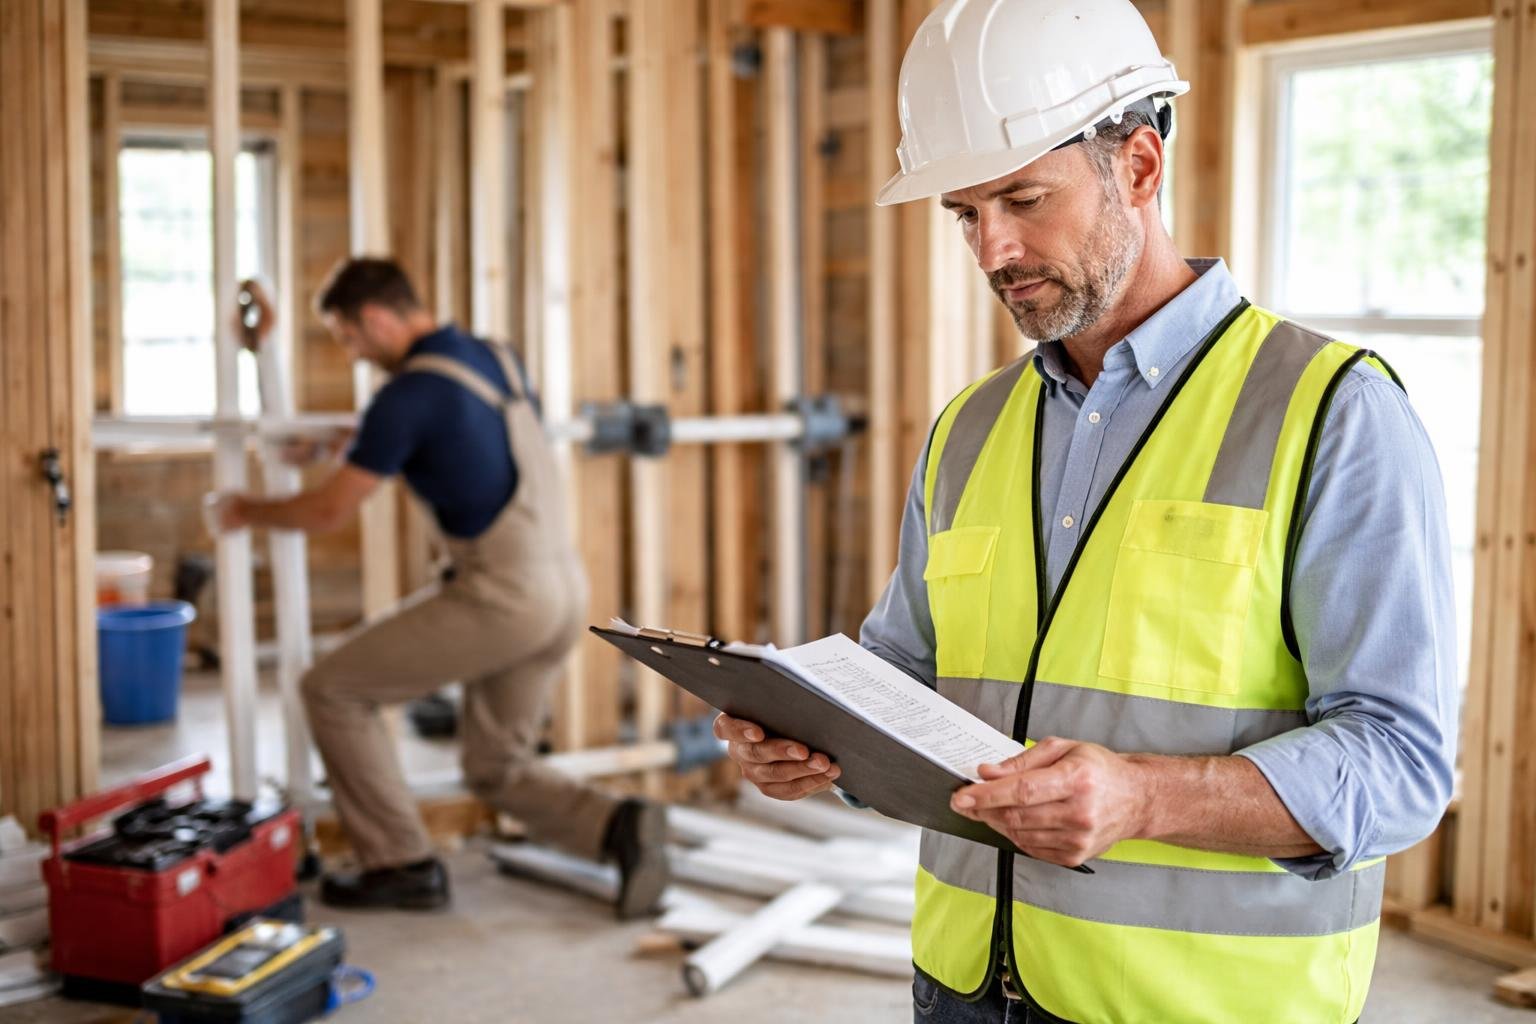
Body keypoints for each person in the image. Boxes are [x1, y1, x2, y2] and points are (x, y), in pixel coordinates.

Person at [715, 1, 1457, 1021]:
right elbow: (910, 678)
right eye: (966, 214)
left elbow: (1403, 762)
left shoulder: (1333, 413)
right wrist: (818, 740)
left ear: (1141, 168)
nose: (991, 249)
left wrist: (1145, 796)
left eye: (1023, 199)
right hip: (965, 984)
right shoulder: (970, 427)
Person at [213, 260, 667, 916]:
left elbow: (325, 514)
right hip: (564, 587)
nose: (358, 356)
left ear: (376, 318)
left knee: (331, 688)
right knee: (494, 764)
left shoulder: (404, 397)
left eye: (350, 340)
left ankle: (400, 862)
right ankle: (618, 826)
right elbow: (469, 444)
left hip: (503, 597)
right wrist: (357, 443)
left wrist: (241, 509)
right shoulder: (495, 356)